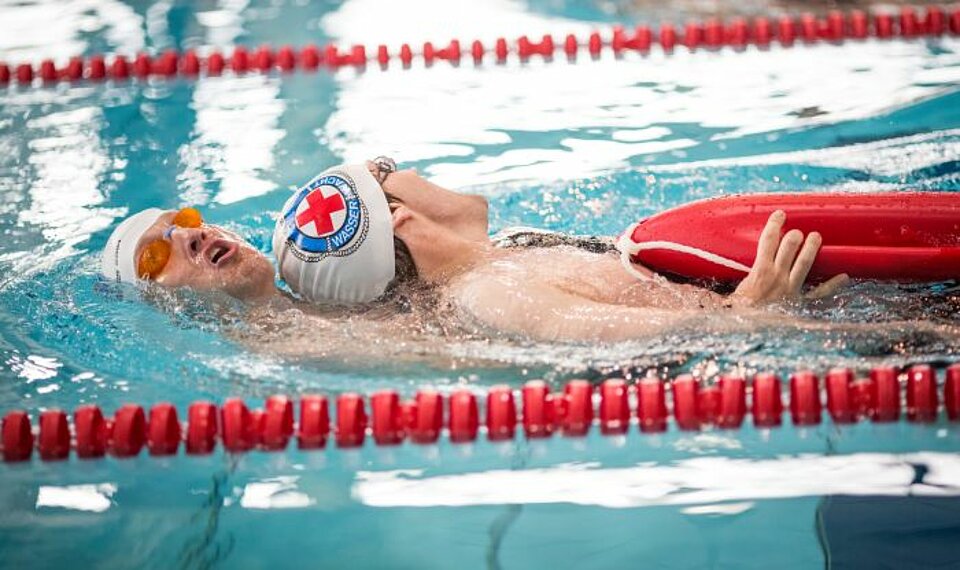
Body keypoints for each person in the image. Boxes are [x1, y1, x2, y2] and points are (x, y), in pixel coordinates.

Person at [102, 158, 849, 346]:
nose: (190, 234)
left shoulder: (503, 259)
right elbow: (718, 330)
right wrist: (755, 308)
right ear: (398, 217)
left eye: (183, 221)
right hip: (849, 327)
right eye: (157, 257)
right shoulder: (498, 294)